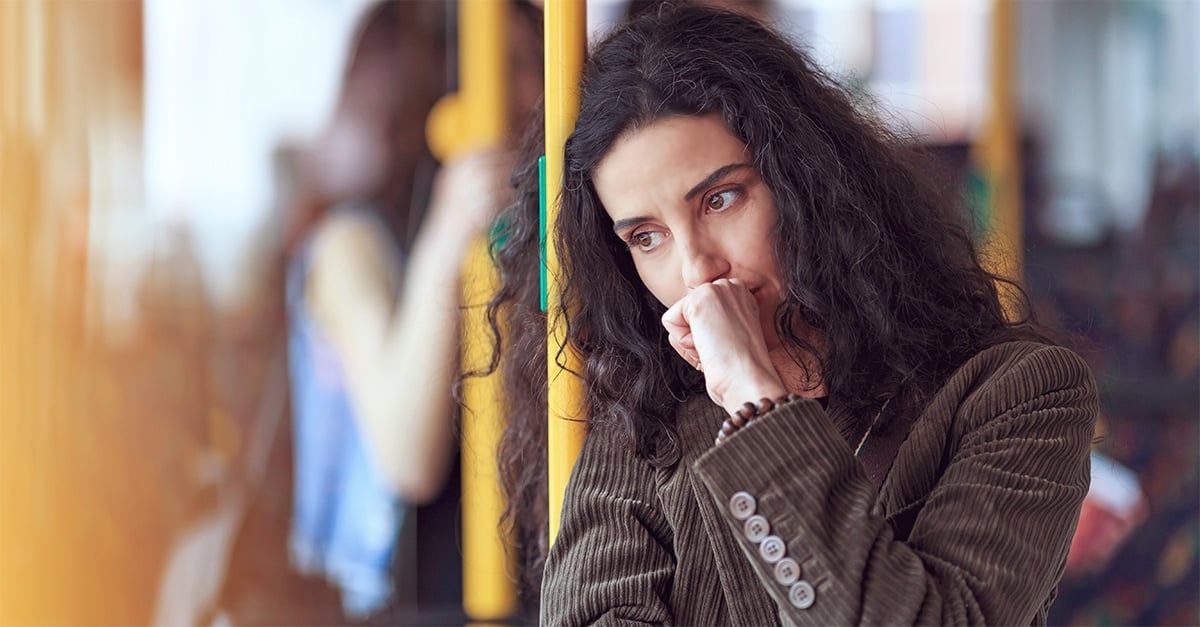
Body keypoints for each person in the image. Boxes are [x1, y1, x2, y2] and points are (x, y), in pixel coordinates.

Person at [487, 4, 1098, 624]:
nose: (696, 269)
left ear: (806, 183)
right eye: (647, 237)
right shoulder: (644, 413)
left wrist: (756, 400)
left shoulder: (1017, 393)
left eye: (720, 200)